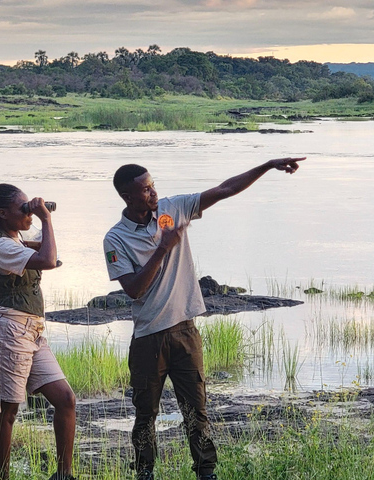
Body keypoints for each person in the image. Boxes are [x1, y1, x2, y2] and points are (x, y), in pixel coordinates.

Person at [103, 157, 305, 480]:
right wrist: (163, 249)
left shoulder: (174, 208)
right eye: (145, 190)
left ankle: (206, 473)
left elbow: (225, 189)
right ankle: (144, 473)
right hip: (148, 340)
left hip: (185, 332)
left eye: (153, 185)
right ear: (127, 197)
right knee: (145, 415)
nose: (154, 193)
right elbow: (134, 290)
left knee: (196, 412)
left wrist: (268, 165)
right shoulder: (115, 239)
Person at [0, 184, 76, 480]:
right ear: (3, 214)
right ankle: (3, 477)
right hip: (10, 331)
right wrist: (45, 219)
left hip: (31, 331)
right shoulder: (2, 246)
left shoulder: (15, 239)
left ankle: (63, 474)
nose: (29, 213)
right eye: (23, 209)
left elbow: (48, 252)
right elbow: (48, 259)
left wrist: (39, 220)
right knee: (7, 412)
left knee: (66, 400)